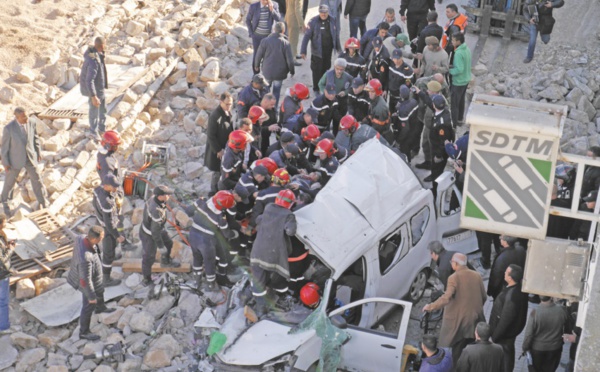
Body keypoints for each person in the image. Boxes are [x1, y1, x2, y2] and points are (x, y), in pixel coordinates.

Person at [423, 253, 487, 366]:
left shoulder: (453, 278)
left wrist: (431, 306)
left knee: (456, 348)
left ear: (456, 264)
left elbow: (446, 298)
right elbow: (484, 297)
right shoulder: (476, 275)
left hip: (459, 322)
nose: (451, 263)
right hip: (474, 319)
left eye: (451, 262)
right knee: (468, 345)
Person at [250, 189, 297, 314]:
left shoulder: (268, 207)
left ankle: (260, 307)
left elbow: (258, 220)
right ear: (291, 203)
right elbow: (290, 232)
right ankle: (281, 297)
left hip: (257, 252)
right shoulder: (289, 215)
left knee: (258, 280)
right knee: (278, 277)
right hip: (273, 255)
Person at [67, 226, 116, 341]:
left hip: (94, 275)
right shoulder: (85, 259)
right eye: (101, 237)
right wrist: (91, 296)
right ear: (94, 239)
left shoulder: (81, 238)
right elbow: (85, 280)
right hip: (85, 281)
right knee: (88, 305)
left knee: (100, 289)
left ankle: (100, 307)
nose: (102, 239)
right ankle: (84, 332)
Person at [185, 191, 237, 292]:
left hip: (193, 235)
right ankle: (210, 285)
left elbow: (188, 211)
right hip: (206, 241)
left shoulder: (201, 201)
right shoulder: (220, 217)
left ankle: (197, 280)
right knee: (209, 263)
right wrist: (235, 233)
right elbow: (226, 233)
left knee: (197, 257)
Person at [1, 107, 47, 216]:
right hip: (15, 160)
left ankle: (43, 203)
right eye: (23, 117)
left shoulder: (31, 122)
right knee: (9, 183)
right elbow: (4, 148)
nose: (26, 118)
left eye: (27, 116)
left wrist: (38, 151)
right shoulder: (9, 129)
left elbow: (35, 138)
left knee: (37, 180)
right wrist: (6, 163)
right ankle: (4, 204)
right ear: (17, 118)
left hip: (30, 157)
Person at [489, 264, 529, 372]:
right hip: (511, 332)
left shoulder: (511, 297)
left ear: (510, 278)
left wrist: (495, 337)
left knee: (506, 357)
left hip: (505, 335)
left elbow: (505, 320)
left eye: (506, 272)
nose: (504, 273)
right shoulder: (519, 289)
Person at [140, 186, 181, 286]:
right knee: (149, 256)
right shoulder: (156, 210)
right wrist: (160, 246)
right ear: (160, 196)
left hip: (158, 228)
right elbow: (155, 232)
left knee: (169, 244)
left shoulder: (155, 199)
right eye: (167, 194)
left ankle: (165, 261)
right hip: (149, 234)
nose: (169, 196)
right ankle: (146, 279)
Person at [92, 174, 126, 287]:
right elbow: (109, 223)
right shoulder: (107, 201)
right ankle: (106, 279)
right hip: (107, 229)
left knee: (111, 247)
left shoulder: (97, 190)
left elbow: (94, 203)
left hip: (100, 221)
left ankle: (112, 256)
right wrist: (117, 236)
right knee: (108, 253)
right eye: (113, 187)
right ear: (106, 186)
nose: (116, 189)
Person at [522, 296, 569, 372]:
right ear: (551, 297)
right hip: (555, 347)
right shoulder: (561, 310)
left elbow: (529, 334)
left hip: (537, 349)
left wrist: (525, 347)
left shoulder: (534, 312)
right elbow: (568, 328)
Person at [301, 5, 341, 93]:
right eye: (321, 12)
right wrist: (303, 51)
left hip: (328, 50)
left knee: (326, 68)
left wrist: (339, 48)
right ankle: (316, 88)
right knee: (316, 70)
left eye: (325, 12)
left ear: (328, 12)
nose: (323, 14)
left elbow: (336, 35)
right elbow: (306, 36)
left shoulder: (332, 20)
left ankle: (323, 85)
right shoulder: (313, 22)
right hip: (317, 51)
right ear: (319, 12)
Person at [254, 22, 295, 107]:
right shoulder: (285, 43)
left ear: (274, 30)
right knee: (276, 91)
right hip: (279, 73)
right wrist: (292, 71)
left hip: (267, 72)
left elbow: (258, 55)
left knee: (266, 91)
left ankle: (265, 108)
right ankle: (274, 109)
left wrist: (256, 66)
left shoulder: (265, 41)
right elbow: (290, 60)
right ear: (283, 31)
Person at [205, 93, 234, 196]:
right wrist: (218, 150)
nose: (229, 106)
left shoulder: (227, 112)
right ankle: (213, 192)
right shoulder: (215, 116)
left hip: (225, 147)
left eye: (231, 104)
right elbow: (210, 136)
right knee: (217, 172)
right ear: (221, 102)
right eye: (227, 104)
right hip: (217, 150)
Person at [80, 36, 108, 139]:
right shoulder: (94, 61)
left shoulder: (95, 54)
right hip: (95, 90)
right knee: (94, 111)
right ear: (102, 46)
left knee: (103, 110)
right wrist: (93, 96)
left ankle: (101, 129)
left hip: (100, 89)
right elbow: (89, 80)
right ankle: (93, 132)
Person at [427, 95, 454, 194]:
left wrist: (438, 156)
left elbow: (443, 142)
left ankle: (435, 193)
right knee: (436, 171)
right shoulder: (444, 111)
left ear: (434, 106)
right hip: (436, 148)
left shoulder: (442, 123)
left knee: (436, 172)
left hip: (439, 152)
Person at [318, 59, 353, 135]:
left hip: (341, 101)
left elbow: (352, 87)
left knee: (338, 122)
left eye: (341, 69)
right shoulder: (328, 74)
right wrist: (326, 92)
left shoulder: (348, 77)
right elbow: (320, 84)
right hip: (329, 101)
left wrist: (345, 92)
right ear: (334, 67)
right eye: (337, 69)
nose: (339, 71)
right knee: (327, 120)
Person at [246, 0, 281, 74]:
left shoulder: (274, 5)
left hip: (268, 37)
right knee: (256, 56)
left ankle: (266, 75)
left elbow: (278, 19)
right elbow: (248, 20)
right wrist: (251, 33)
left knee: (268, 56)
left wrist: (272, 10)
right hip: (257, 36)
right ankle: (256, 75)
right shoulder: (254, 6)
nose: (265, 1)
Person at [487, 235, 526, 299]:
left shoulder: (501, 259)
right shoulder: (521, 249)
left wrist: (491, 291)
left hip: (504, 288)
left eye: (501, 238)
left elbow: (496, 277)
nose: (499, 238)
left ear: (505, 242)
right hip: (518, 283)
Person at [448, 33, 471, 127]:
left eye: (453, 40)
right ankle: (460, 119)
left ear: (458, 41)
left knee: (454, 104)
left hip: (458, 81)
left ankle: (453, 124)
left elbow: (459, 69)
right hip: (466, 79)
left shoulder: (458, 53)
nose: (452, 42)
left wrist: (449, 70)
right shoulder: (467, 49)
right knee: (461, 100)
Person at [393, 85, 420, 161]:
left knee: (405, 149)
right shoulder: (414, 101)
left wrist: (399, 140)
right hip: (415, 127)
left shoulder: (403, 110)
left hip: (408, 134)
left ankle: (407, 162)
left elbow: (405, 129)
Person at [0, 214, 15, 334]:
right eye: (4, 223)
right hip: (1, 275)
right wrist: (10, 250)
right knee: (3, 301)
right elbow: (3, 262)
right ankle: (3, 326)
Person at [365, 78, 392, 143]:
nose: (370, 94)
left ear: (377, 92)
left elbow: (377, 128)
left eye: (372, 91)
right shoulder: (374, 100)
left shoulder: (380, 109)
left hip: (382, 136)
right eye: (369, 91)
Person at [388, 49, 414, 113]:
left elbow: (407, 87)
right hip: (391, 95)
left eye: (398, 59)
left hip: (400, 98)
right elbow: (387, 79)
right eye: (394, 58)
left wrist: (401, 100)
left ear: (402, 57)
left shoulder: (407, 70)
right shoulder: (391, 64)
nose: (396, 61)